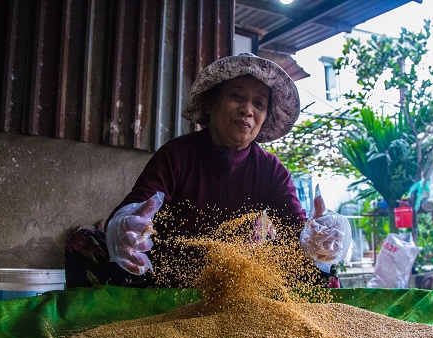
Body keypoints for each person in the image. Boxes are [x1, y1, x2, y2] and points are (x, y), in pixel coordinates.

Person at [65, 53, 349, 288]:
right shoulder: (178, 155)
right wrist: (126, 228)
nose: (247, 110)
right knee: (84, 243)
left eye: (259, 104)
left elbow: (293, 230)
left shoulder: (270, 170)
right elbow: (136, 205)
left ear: (265, 117)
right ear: (212, 103)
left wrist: (317, 239)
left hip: (233, 281)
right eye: (237, 96)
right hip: (165, 277)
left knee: (323, 272)